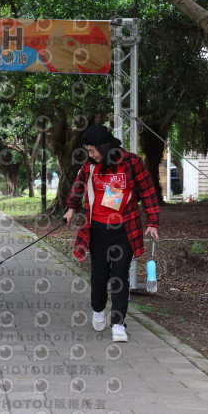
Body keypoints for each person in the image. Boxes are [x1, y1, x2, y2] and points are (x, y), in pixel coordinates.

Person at [63, 125, 160, 342]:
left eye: (92, 150)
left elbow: (148, 192)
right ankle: (98, 309)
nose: (91, 155)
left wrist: (153, 222)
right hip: (97, 229)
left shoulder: (132, 162)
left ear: (104, 146)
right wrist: (71, 208)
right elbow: (78, 186)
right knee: (99, 275)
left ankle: (118, 323)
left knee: (119, 275)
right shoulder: (89, 166)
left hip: (125, 229)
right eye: (88, 151)